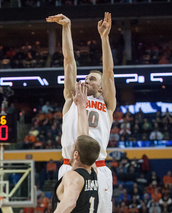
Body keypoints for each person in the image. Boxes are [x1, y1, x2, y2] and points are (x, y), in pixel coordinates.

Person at [47, 12, 115, 213]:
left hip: (99, 168)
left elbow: (109, 73)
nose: (86, 80)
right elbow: (68, 60)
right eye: (86, 77)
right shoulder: (71, 98)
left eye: (93, 79)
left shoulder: (107, 104)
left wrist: (104, 37)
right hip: (70, 165)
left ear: (101, 88)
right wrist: (66, 27)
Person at [52, 82, 100, 213]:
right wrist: (81, 107)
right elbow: (84, 137)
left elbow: (70, 203)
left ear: (75, 154)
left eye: (73, 147)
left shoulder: (73, 176)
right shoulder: (93, 172)